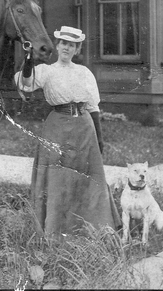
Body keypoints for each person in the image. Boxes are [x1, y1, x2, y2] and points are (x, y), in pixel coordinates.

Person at [15, 26, 121, 239]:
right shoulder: (47, 71)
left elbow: (93, 106)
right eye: (63, 43)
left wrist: (99, 138)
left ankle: (91, 229)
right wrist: (28, 59)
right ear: (57, 45)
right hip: (57, 129)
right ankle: (56, 229)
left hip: (84, 128)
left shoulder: (84, 73)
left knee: (87, 178)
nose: (66, 47)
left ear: (77, 48)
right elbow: (26, 83)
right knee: (58, 178)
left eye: (71, 44)